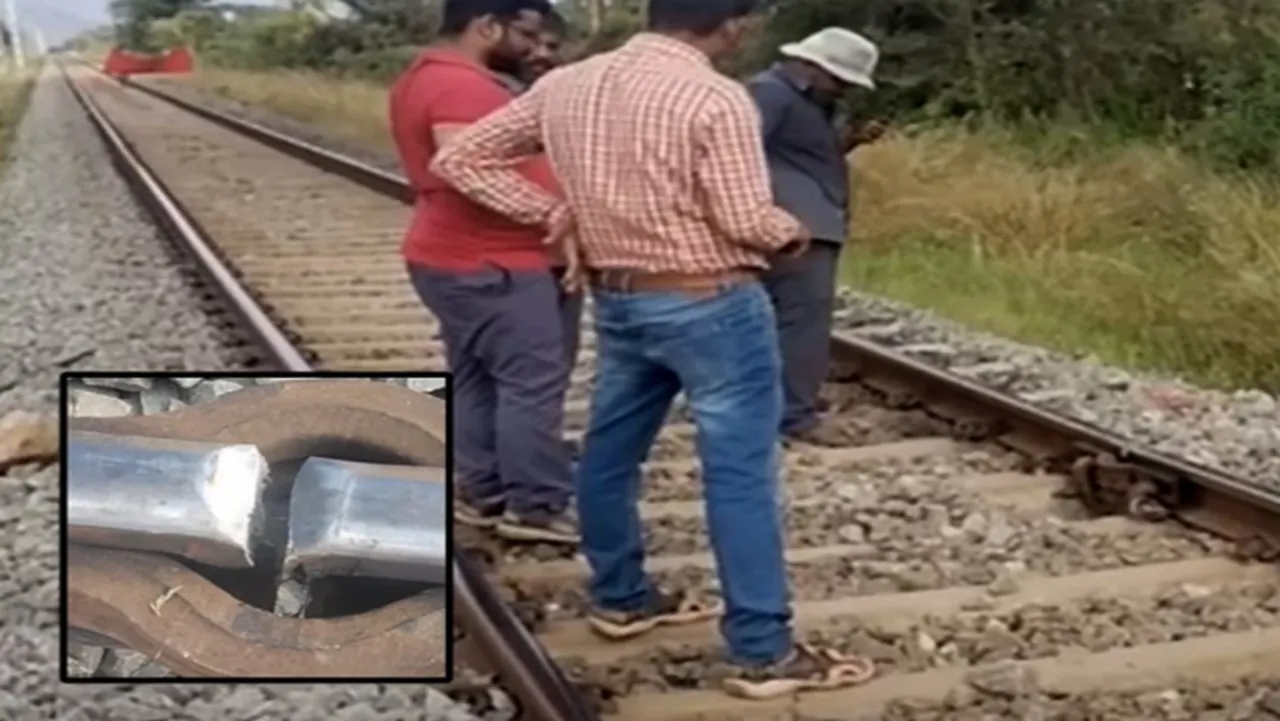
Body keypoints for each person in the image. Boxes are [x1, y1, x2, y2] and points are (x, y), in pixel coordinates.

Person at [431, 0, 877, 701]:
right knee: (738, 474)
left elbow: (461, 157)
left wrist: (552, 212)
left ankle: (621, 597)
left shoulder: (566, 83)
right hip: (713, 302)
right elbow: (743, 219)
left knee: (610, 453)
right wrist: (787, 228)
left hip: (622, 300)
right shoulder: (715, 97)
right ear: (731, 25)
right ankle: (762, 648)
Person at [387, 0, 577, 546]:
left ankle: (483, 490)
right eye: (526, 34)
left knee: (478, 379)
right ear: (486, 27)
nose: (534, 48)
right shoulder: (461, 87)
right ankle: (535, 506)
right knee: (531, 385)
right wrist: (552, 212)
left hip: (458, 256)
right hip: (495, 262)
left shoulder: (426, 77)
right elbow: (466, 164)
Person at [747, 27, 886, 447]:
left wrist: (848, 142)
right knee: (802, 320)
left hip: (804, 222)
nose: (843, 90)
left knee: (785, 318)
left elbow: (798, 154)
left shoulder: (803, 99)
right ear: (813, 67)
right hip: (794, 228)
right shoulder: (769, 93)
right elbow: (739, 153)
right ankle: (793, 414)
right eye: (839, 80)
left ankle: (781, 404)